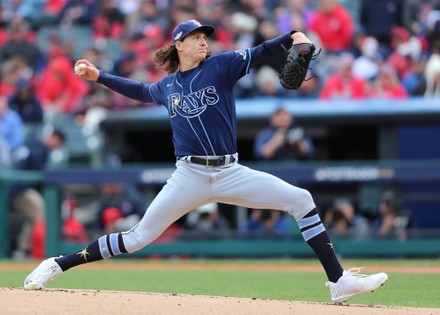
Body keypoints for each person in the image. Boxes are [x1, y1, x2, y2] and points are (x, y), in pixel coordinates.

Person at [24, 19, 388, 303]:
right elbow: (137, 90)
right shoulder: (166, 86)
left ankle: (338, 282)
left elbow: (263, 50)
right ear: (178, 45)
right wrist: (98, 75)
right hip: (190, 175)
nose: (204, 40)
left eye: (205, 36)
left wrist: (295, 35)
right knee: (137, 238)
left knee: (301, 200)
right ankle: (57, 264)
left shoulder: (223, 66)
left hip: (230, 171)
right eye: (196, 36)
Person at [9, 128, 66, 258]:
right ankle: (24, 250)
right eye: (58, 141)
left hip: (18, 186)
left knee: (34, 217)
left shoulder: (32, 141)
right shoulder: (39, 148)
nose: (57, 145)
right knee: (40, 213)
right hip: (20, 188)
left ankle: (24, 250)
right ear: (54, 138)